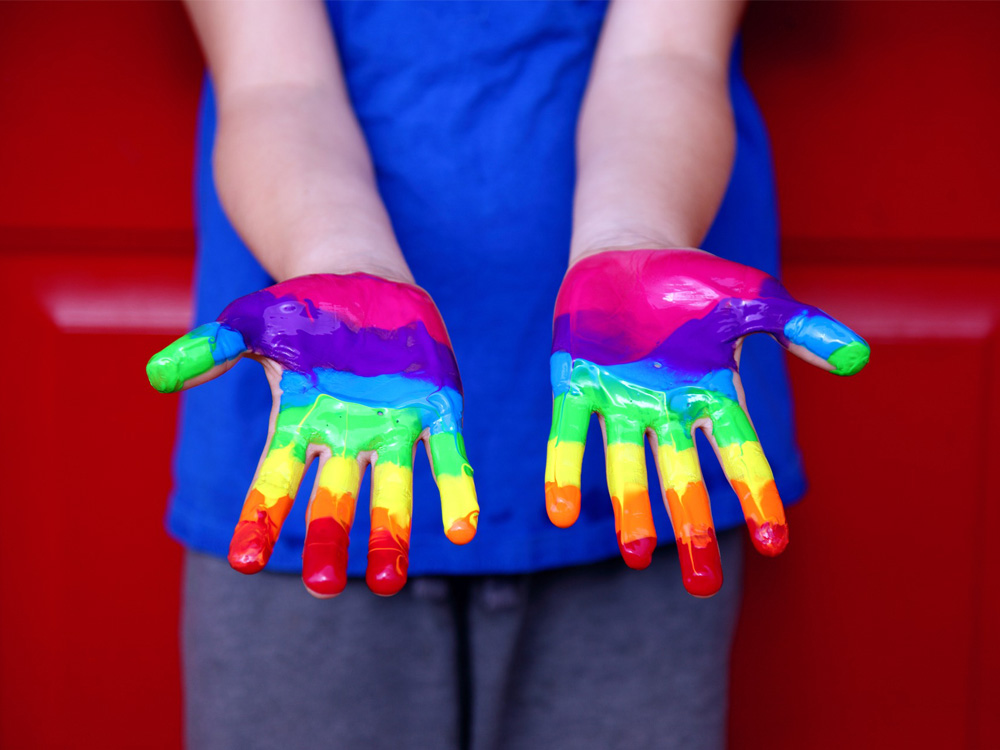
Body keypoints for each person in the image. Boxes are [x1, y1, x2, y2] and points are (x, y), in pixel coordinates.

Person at [148, 2, 868, 748]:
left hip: (644, 432)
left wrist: (631, 244)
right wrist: (341, 273)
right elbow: (275, 85)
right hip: (318, 447)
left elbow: (667, 57)